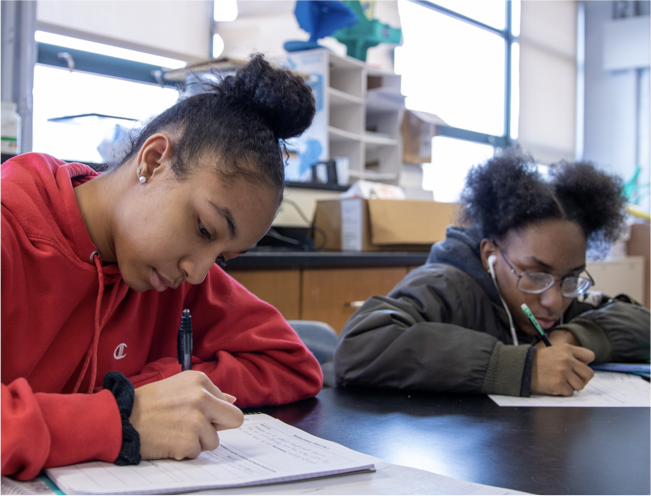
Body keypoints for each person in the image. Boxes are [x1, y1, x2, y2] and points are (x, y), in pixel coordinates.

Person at [0, 55, 323, 479]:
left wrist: (162, 385)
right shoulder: (10, 227)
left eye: (224, 258)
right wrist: (121, 417)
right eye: (206, 230)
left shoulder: (170, 272)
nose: (201, 272)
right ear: (152, 161)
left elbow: (291, 364)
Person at [334, 148, 651, 397]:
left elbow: (639, 322)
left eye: (570, 278)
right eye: (535, 275)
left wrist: (570, 334)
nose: (554, 301)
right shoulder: (447, 285)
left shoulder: (563, 303)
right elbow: (359, 347)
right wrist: (522, 368)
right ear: (490, 255)